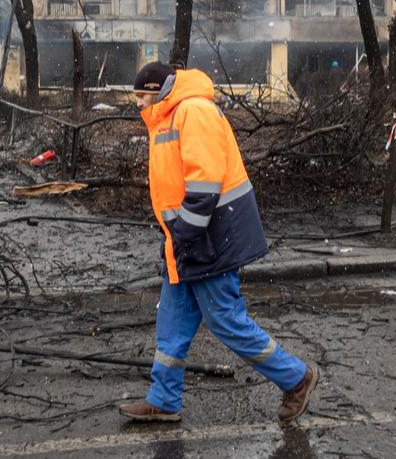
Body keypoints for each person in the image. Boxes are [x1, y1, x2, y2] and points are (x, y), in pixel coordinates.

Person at [118, 61, 318, 424]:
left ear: (157, 90)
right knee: (172, 325)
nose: (138, 104)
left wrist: (183, 236)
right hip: (189, 242)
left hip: (208, 240)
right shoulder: (170, 116)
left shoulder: (193, 112)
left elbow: (204, 185)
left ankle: (296, 377)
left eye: (141, 95)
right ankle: (163, 400)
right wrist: (177, 241)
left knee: (226, 321)